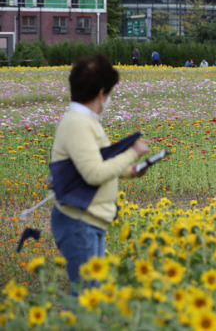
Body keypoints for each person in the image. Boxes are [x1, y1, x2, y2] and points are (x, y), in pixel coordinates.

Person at [50, 55, 150, 294]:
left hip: (89, 219)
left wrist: (129, 170)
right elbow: (94, 173)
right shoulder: (78, 124)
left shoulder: (87, 121)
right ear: (101, 92)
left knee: (91, 294)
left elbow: (97, 162)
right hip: (79, 221)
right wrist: (132, 154)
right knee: (87, 296)